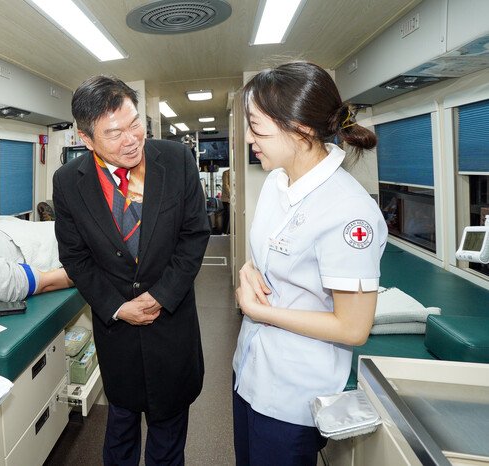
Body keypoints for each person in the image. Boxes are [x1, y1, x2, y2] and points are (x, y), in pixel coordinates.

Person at [232, 62, 388, 465]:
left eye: (256, 127)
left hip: (293, 395)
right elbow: (270, 252)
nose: (248, 138)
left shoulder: (349, 211)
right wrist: (248, 269)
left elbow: (353, 328)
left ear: (299, 130)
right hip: (249, 370)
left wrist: (260, 311)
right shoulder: (276, 181)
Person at [53, 75, 210, 465]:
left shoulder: (176, 159)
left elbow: (194, 235)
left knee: (168, 435)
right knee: (120, 427)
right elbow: (75, 258)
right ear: (86, 139)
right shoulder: (68, 182)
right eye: (114, 132)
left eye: (135, 123)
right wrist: (117, 307)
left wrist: (160, 296)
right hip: (117, 332)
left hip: (171, 324)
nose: (131, 139)